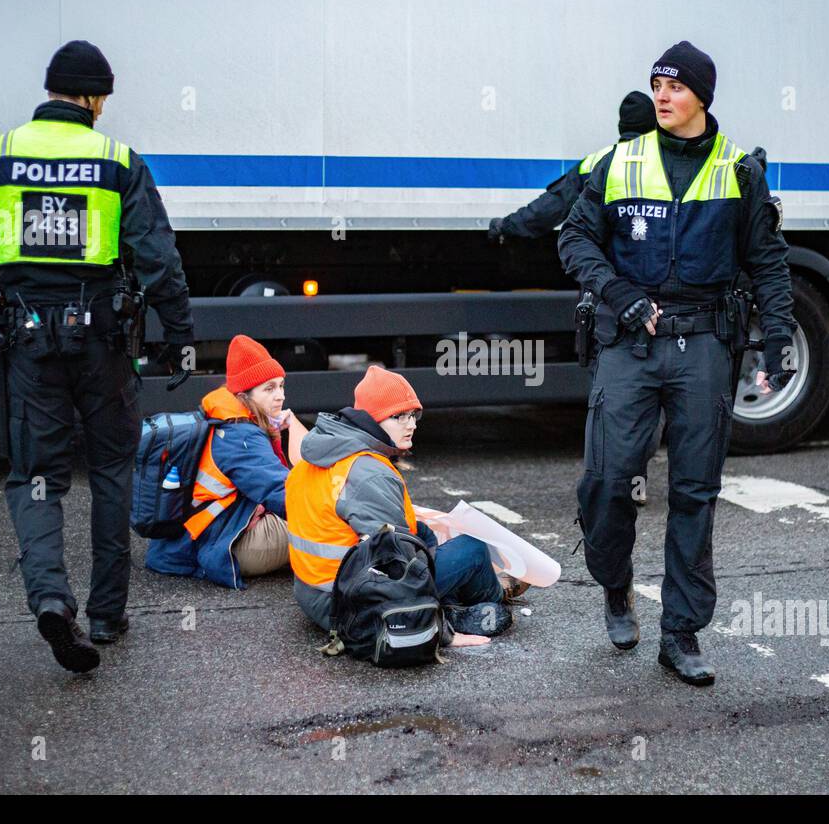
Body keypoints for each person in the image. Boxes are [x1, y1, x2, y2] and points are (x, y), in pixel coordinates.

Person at [557, 41, 795, 685]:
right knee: (609, 481)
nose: (661, 96)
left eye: (675, 87)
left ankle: (681, 632)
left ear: (701, 97)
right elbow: (574, 237)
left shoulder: (738, 169)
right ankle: (616, 582)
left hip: (705, 348)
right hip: (629, 343)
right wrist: (620, 296)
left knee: (694, 491)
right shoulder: (620, 161)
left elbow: (768, 261)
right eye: (656, 85)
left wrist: (776, 339)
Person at [0, 40, 194, 673]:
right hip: (104, 344)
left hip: (26, 345)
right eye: (104, 98)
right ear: (90, 98)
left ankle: (53, 601)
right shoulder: (117, 160)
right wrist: (179, 332)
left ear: (50, 91)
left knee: (37, 478)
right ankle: (108, 614)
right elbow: (156, 255)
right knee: (113, 470)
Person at [285, 365, 513, 642]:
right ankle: (495, 596)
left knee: (421, 531)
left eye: (413, 414)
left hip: (314, 592)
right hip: (355, 607)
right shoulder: (369, 474)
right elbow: (397, 572)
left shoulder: (318, 456)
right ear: (371, 420)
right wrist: (441, 635)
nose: (412, 424)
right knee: (472, 548)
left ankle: (453, 604)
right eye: (398, 416)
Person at [146, 335, 307, 588]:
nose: (280, 396)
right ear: (245, 395)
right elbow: (285, 494)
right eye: (269, 388)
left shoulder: (224, 418)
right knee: (325, 530)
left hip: (193, 540)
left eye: (281, 385)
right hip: (218, 544)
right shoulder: (240, 436)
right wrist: (336, 511)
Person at [488, 92, 657, 243]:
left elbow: (549, 209)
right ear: (653, 125)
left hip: (610, 270)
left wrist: (506, 226)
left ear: (622, 126)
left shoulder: (594, 162)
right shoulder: (668, 160)